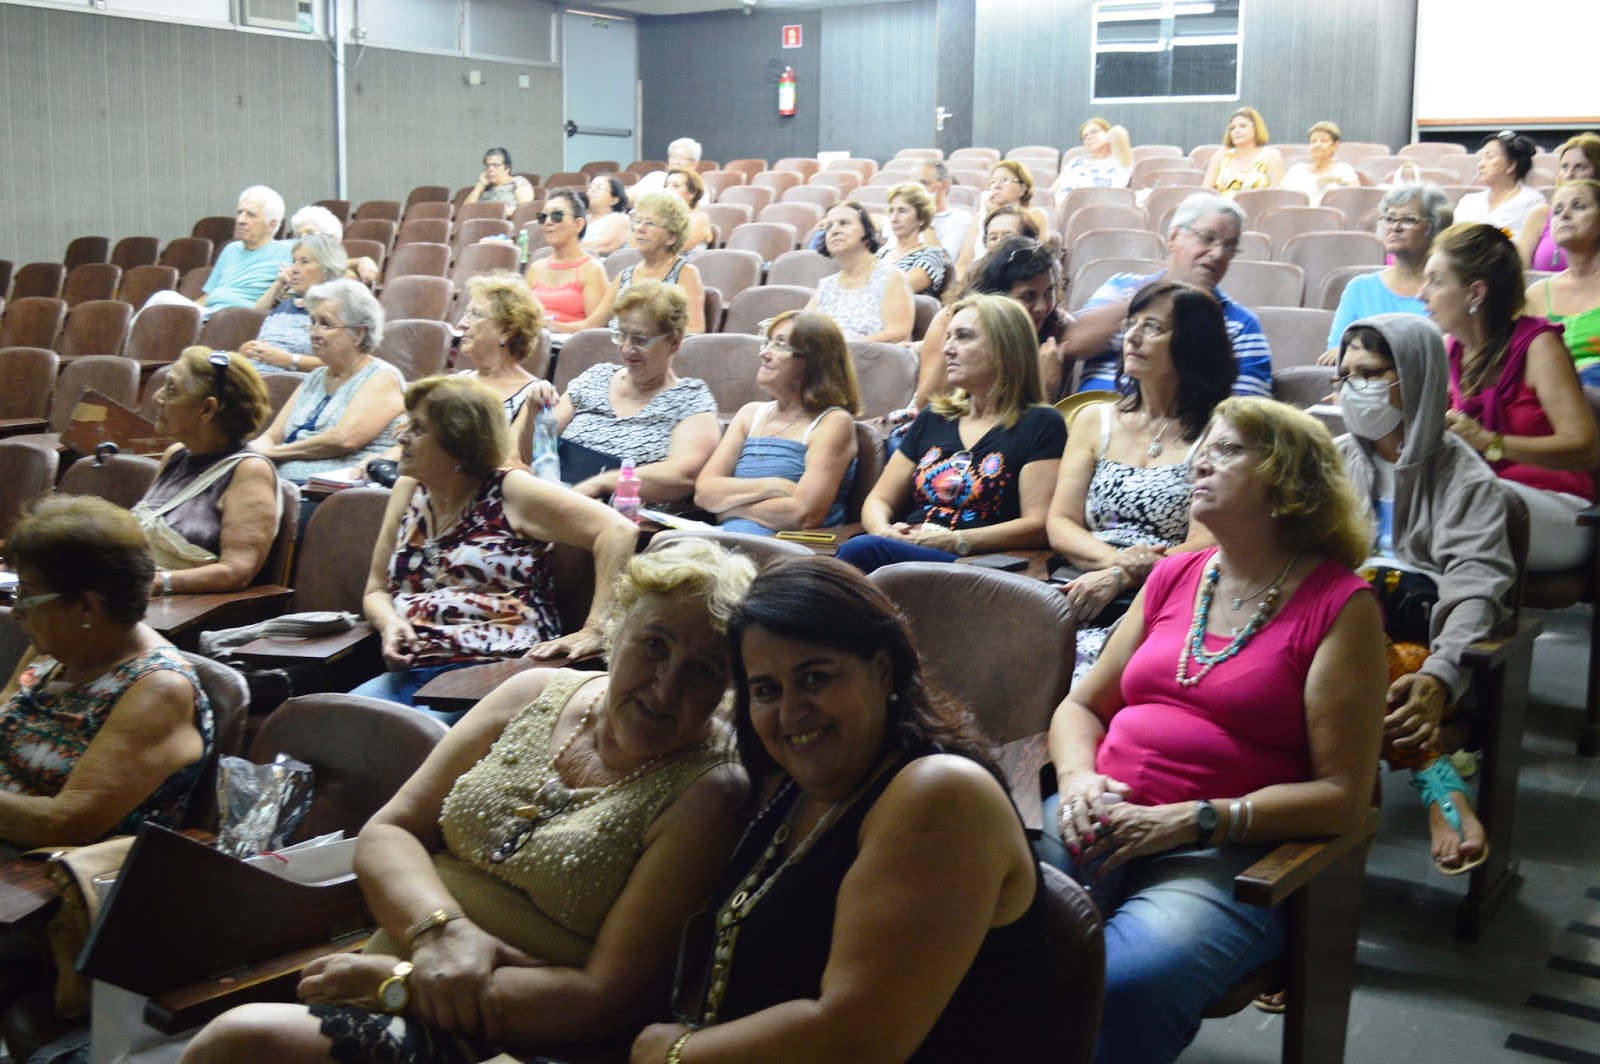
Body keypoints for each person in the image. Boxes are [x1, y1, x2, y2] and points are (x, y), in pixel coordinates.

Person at [179, 539, 756, 1064]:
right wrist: (440, 932)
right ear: (615, 628)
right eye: (654, 645)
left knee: (242, 1042)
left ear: (730, 687)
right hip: (394, 961)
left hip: (513, 1034)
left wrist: (400, 986)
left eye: (704, 671)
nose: (666, 686)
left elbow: (606, 999)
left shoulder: (709, 791)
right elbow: (390, 831)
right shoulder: (531, 692)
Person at [1042, 397, 1385, 1064]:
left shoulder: (1341, 607)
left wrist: (1192, 820)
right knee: (978, 917)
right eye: (1206, 448)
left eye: (1228, 451)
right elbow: (1080, 708)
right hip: (1097, 814)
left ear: (1288, 484)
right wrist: (1079, 779)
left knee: (1126, 981)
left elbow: (1344, 797)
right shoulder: (1175, 575)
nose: (1201, 462)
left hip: (1225, 851)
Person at [634, 557, 1052, 1063]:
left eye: (815, 678)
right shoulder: (800, 782)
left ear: (881, 670)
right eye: (766, 690)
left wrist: (676, 1053)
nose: (790, 712)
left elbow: (855, 1038)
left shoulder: (941, 796)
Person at [1333, 314, 1516, 875]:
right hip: (1340, 634)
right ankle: (1438, 778)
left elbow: (1476, 589)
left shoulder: (1466, 478)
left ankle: (1338, 863)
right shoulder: (1334, 461)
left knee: (1366, 656)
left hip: (1424, 642)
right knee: (1349, 614)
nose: (1354, 388)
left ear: (1414, 378)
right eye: (1346, 375)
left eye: (1370, 373)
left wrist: (1439, 674)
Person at [352, 375, 638, 710]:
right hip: (412, 670)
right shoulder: (409, 488)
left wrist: (595, 630)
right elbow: (376, 591)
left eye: (418, 428)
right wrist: (390, 623)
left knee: (408, 736)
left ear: (457, 445)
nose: (400, 436)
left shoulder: (509, 490)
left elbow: (618, 530)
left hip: (497, 672)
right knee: (335, 725)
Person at [0, 496, 214, 850]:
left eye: (26, 595)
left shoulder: (158, 690)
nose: (17, 611)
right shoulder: (55, 649)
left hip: (42, 871)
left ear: (86, 605)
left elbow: (63, 825)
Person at [1048, 281, 1234, 682]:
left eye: (1152, 327)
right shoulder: (1093, 419)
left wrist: (1124, 577)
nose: (1132, 336)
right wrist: (1115, 564)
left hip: (1169, 594)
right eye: (1131, 323)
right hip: (1082, 580)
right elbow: (1061, 523)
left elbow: (1205, 542)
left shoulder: (1219, 434)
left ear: (1192, 346)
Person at [837, 294, 1066, 571]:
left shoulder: (1041, 423)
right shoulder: (933, 418)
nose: (947, 349)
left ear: (1004, 348)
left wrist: (956, 541)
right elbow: (878, 499)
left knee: (860, 552)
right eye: (948, 337)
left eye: (963, 337)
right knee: (856, 550)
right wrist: (884, 531)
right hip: (911, 545)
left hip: (977, 561)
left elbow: (1037, 526)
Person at [1422, 223, 1599, 570]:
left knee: (1467, 505)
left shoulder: (1539, 347)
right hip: (1482, 496)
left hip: (1561, 509)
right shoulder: (1449, 349)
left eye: (1435, 281)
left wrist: (1489, 442)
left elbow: (1586, 448)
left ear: (1475, 293)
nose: (1421, 294)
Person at [1060, 192, 1274, 398]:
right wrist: (1154, 300)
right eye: (1207, 238)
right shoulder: (1123, 287)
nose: (1218, 254)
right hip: (1095, 415)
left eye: (1229, 247)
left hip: (1182, 422)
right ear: (1173, 237)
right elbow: (1071, 345)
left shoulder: (1242, 324)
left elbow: (1244, 412)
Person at [694, 311, 860, 536]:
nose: (764, 353)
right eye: (767, 343)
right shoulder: (749, 415)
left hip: (787, 546)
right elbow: (704, 492)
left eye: (780, 345)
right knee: (664, 540)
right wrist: (775, 486)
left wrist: (727, 509)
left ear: (813, 361)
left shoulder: (833, 423)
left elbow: (804, 515)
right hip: (726, 536)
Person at [552, 280, 720, 502]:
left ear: (674, 342)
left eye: (641, 339)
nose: (627, 348)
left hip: (624, 512)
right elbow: (542, 439)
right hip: (556, 495)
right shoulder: (596, 377)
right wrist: (534, 409)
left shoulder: (691, 399)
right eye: (621, 335)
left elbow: (683, 475)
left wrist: (602, 483)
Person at [136, 348, 282, 594]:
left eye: (171, 390)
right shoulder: (175, 455)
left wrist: (159, 583)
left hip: (182, 606)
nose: (157, 397)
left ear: (207, 410)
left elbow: (236, 572)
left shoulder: (249, 471)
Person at [251, 279, 405, 484]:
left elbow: (344, 439)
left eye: (325, 324)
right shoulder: (316, 376)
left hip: (330, 491)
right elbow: (272, 436)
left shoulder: (381, 377)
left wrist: (273, 453)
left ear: (358, 334)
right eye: (312, 322)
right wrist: (249, 452)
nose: (314, 332)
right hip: (282, 482)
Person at [911, 237, 1070, 415]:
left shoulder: (1056, 328)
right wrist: (956, 337)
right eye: (1028, 296)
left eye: (1048, 293)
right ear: (996, 297)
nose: (1041, 307)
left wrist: (1045, 390)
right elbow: (926, 406)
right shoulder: (951, 320)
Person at [1317, 183, 1453, 365]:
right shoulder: (1360, 288)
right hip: (1364, 380)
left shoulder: (1447, 290)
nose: (1395, 227)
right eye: (1389, 219)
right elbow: (1336, 353)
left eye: (1408, 220)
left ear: (1433, 227)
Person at [557, 192, 707, 335]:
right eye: (638, 221)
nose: (640, 228)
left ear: (671, 238)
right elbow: (592, 325)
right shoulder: (625, 276)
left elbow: (695, 329)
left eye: (650, 223)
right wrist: (551, 326)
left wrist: (649, 338)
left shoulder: (686, 273)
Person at [145, 186, 290, 318]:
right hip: (210, 316)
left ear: (272, 225)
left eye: (251, 215)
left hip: (241, 319)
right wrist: (189, 316)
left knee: (163, 297)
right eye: (239, 212)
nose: (240, 220)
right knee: (164, 309)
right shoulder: (231, 249)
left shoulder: (287, 249)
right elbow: (208, 296)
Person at [805, 201, 914, 343]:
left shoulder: (891, 277)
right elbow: (801, 329)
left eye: (844, 223)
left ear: (865, 231)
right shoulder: (827, 285)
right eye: (829, 226)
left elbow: (898, 334)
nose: (834, 230)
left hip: (870, 356)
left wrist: (840, 349)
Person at [240, 234, 348, 374]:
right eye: (294, 261)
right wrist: (246, 351)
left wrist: (290, 360)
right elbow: (253, 316)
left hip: (291, 383)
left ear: (327, 268)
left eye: (304, 262)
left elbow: (344, 363)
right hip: (251, 377)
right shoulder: (286, 305)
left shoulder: (337, 311)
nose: (294, 269)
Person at [1527, 179, 1600, 385]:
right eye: (1557, 210)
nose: (1564, 215)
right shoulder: (1536, 294)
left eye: (1579, 206)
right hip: (1551, 393)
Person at [524, 189, 608, 328]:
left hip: (571, 341)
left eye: (556, 215)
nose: (548, 222)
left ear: (578, 224)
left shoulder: (592, 270)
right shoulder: (536, 267)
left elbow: (594, 327)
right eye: (543, 217)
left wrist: (553, 327)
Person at [1517, 133, 1600, 269]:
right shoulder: (1540, 215)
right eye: (1564, 167)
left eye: (1580, 167)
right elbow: (1520, 271)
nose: (1569, 174)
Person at [956, 162, 1051, 279]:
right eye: (993, 181)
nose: (996, 186)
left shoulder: (1034, 216)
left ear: (1023, 189)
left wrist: (995, 214)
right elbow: (963, 263)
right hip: (978, 279)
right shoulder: (979, 217)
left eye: (1004, 180)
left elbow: (1036, 260)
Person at [1454, 131, 1547, 235]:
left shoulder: (1532, 202)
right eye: (1480, 159)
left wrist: (1502, 233)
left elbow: (1524, 241)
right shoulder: (1468, 202)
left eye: (1489, 157)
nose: (1480, 165)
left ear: (1511, 164)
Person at [877, 182, 950, 299]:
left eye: (902, 211)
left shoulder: (932, 255)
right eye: (891, 211)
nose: (894, 218)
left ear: (921, 218)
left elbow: (900, 288)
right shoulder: (882, 253)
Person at [1200, 106, 1285, 197]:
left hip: (1258, 205)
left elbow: (1277, 193)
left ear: (1256, 128)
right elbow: (1206, 188)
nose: (1236, 131)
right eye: (1232, 128)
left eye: (1243, 126)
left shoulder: (1271, 156)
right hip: (1223, 204)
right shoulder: (1221, 154)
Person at [1049, 118, 1134, 200]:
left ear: (1108, 133)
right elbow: (1051, 192)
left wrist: (1108, 137)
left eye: (1094, 132)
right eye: (1084, 137)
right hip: (1062, 206)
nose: (1089, 137)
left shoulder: (1121, 160)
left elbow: (1118, 132)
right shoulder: (1074, 162)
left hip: (1100, 207)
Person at [1280, 120, 1361, 205]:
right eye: (1313, 141)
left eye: (1323, 141)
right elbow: (1280, 197)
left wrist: (1337, 180)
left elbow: (1356, 195)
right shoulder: (1297, 170)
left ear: (1335, 145)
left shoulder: (1343, 170)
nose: (1317, 145)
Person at [914, 160, 974, 261]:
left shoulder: (961, 219)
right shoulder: (903, 215)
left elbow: (942, 262)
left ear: (944, 185)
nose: (914, 192)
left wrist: (926, 218)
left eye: (922, 184)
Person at [463, 147, 534, 216]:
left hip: (505, 222)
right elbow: (466, 211)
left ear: (507, 168)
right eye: (487, 165)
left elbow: (525, 210)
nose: (490, 169)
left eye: (496, 165)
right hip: (480, 222)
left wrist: (495, 213)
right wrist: (480, 185)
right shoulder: (486, 186)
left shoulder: (518, 182)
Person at [581, 174, 633, 257]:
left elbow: (604, 246)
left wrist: (569, 247)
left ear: (613, 200)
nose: (592, 190)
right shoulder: (581, 219)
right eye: (590, 187)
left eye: (599, 188)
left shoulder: (620, 218)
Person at [632, 137, 702, 197]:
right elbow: (632, 195)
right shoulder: (655, 177)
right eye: (673, 157)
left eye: (682, 158)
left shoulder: (697, 187)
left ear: (694, 164)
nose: (676, 162)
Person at [666, 168, 715, 252]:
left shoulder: (700, 220)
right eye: (666, 185)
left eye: (675, 186)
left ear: (692, 193)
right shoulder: (662, 219)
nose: (667, 190)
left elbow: (676, 250)